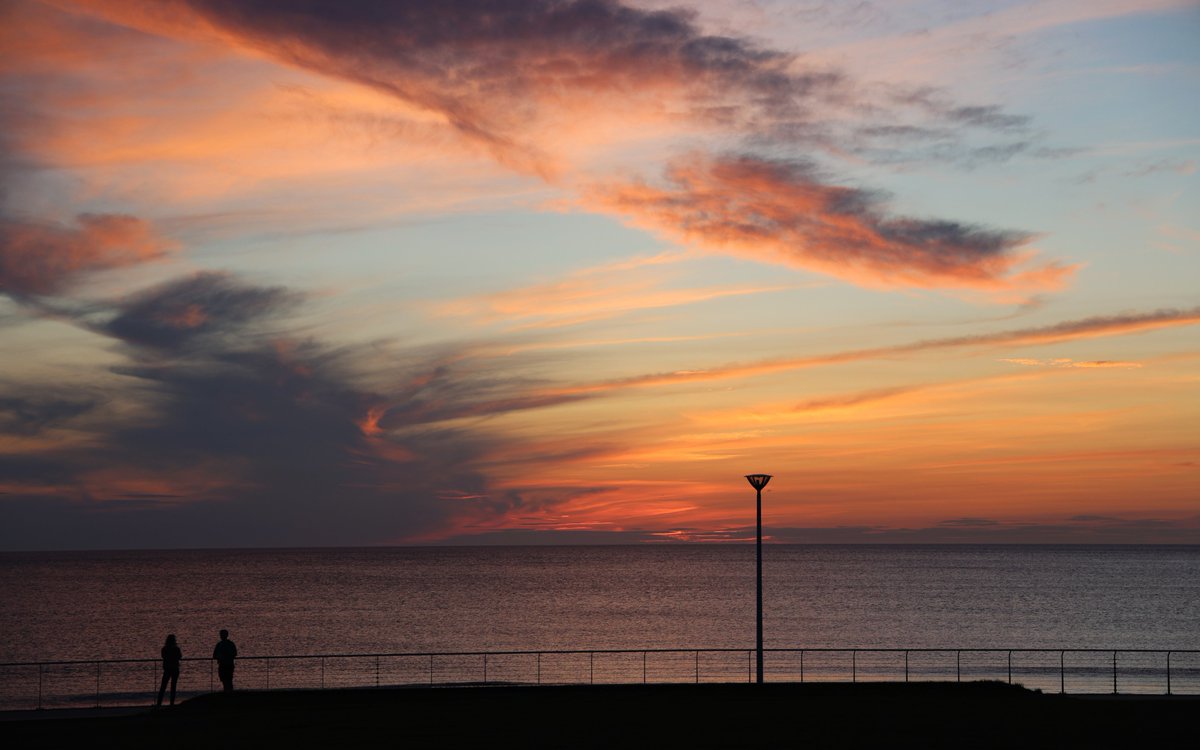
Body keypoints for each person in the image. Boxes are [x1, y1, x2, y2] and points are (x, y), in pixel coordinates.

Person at [156, 634, 182, 707]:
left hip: (167, 669)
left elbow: (163, 656)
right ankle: (172, 703)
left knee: (163, 687)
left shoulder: (164, 648)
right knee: (173, 687)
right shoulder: (176, 649)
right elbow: (180, 656)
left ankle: (159, 704)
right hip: (175, 669)